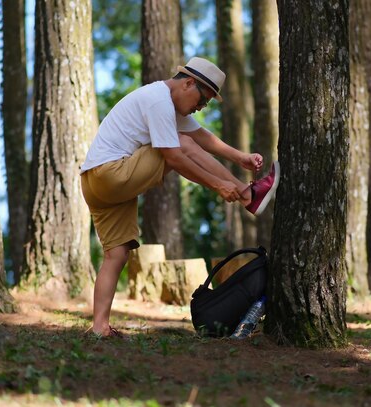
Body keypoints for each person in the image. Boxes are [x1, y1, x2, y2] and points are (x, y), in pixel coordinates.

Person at [80, 56, 280, 337]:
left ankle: (100, 327)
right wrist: (218, 185)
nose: (200, 108)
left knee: (116, 254)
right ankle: (249, 196)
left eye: (205, 105)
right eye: (202, 101)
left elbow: (202, 137)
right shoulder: (158, 101)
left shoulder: (169, 104)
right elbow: (175, 156)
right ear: (188, 83)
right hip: (111, 173)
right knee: (179, 144)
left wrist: (241, 157)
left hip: (95, 183)